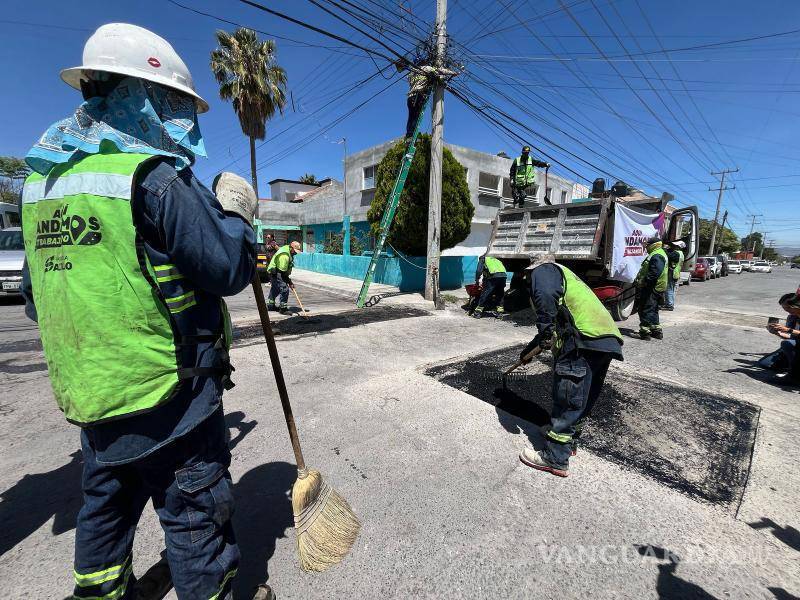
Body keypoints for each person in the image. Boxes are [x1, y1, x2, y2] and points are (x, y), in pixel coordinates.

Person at [19, 23, 270, 600]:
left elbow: (37, 301)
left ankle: (100, 593)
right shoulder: (152, 175)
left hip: (94, 397)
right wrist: (236, 214)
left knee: (104, 510)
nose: (184, 123)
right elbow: (228, 269)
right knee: (194, 519)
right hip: (169, 397)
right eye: (177, 106)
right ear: (145, 97)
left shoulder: (42, 185)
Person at [518, 254, 624, 477]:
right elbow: (547, 336)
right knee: (583, 397)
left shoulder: (545, 269)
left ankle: (555, 457)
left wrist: (545, 328)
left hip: (581, 341)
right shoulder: (570, 281)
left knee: (568, 396)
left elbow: (544, 296)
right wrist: (527, 353)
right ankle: (568, 441)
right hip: (605, 340)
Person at [398, 57, 456, 139]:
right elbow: (440, 71)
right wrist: (453, 72)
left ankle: (409, 135)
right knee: (416, 117)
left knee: (411, 117)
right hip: (419, 96)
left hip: (410, 98)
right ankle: (412, 136)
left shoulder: (411, 74)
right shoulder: (426, 68)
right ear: (423, 62)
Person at [635, 236, 668, 340]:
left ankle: (645, 332)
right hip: (658, 287)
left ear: (652, 245)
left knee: (645, 308)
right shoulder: (660, 253)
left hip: (652, 287)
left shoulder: (656, 255)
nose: (645, 246)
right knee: (653, 309)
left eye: (647, 244)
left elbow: (654, 273)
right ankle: (656, 331)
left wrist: (643, 281)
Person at [769, 293, 800, 385]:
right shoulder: (792, 317)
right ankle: (793, 372)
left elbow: (791, 332)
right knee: (786, 343)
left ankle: (795, 376)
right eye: (785, 309)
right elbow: (793, 337)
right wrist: (778, 333)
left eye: (789, 308)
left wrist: (788, 330)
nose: (787, 311)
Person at [268, 240, 302, 314]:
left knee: (275, 288)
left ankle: (270, 305)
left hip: (275, 271)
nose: (296, 253)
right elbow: (282, 273)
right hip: (277, 271)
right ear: (291, 248)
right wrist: (289, 282)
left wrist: (289, 282)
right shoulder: (285, 256)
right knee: (284, 288)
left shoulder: (287, 249)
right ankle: (283, 309)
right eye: (295, 251)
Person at [472, 253, 507, 319]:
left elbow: (479, 270)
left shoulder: (483, 258)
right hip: (503, 276)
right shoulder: (496, 259)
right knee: (500, 294)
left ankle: (478, 312)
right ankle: (499, 313)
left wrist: (477, 280)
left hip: (493, 277)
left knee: (485, 293)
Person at [663, 240, 685, 311]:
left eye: (675, 246)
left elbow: (668, 255)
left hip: (672, 272)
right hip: (676, 273)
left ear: (678, 247)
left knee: (668, 289)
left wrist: (665, 249)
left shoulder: (677, 253)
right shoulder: (681, 253)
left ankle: (669, 305)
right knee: (671, 289)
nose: (673, 247)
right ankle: (669, 303)